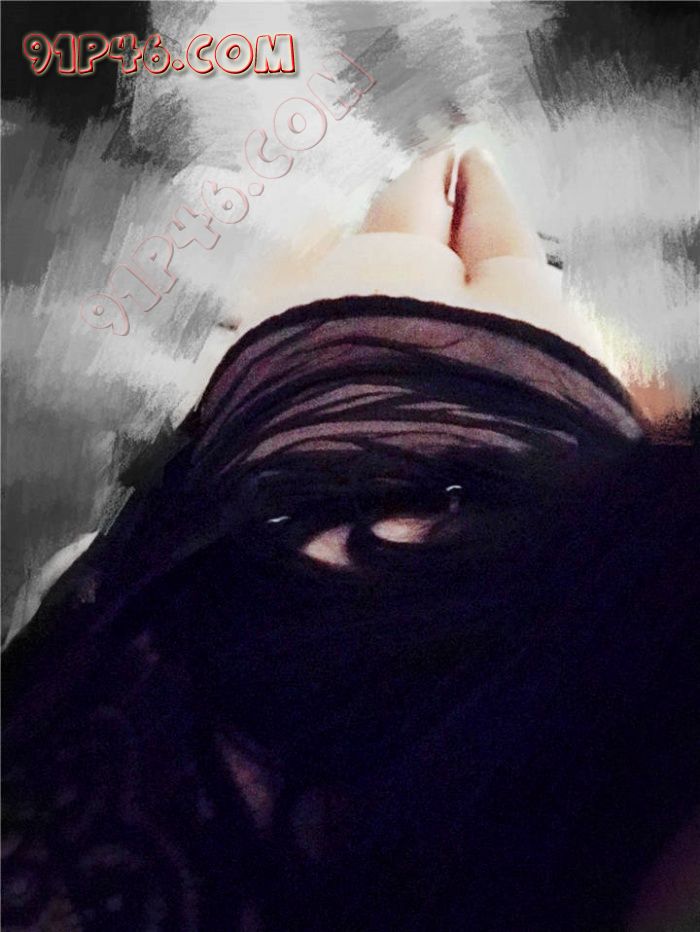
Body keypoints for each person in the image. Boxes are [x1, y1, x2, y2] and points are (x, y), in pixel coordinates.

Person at [3, 148, 699, 932]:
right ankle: (462, 167)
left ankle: (461, 170)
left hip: (408, 417)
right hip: (490, 437)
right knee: (462, 201)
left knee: (450, 205)